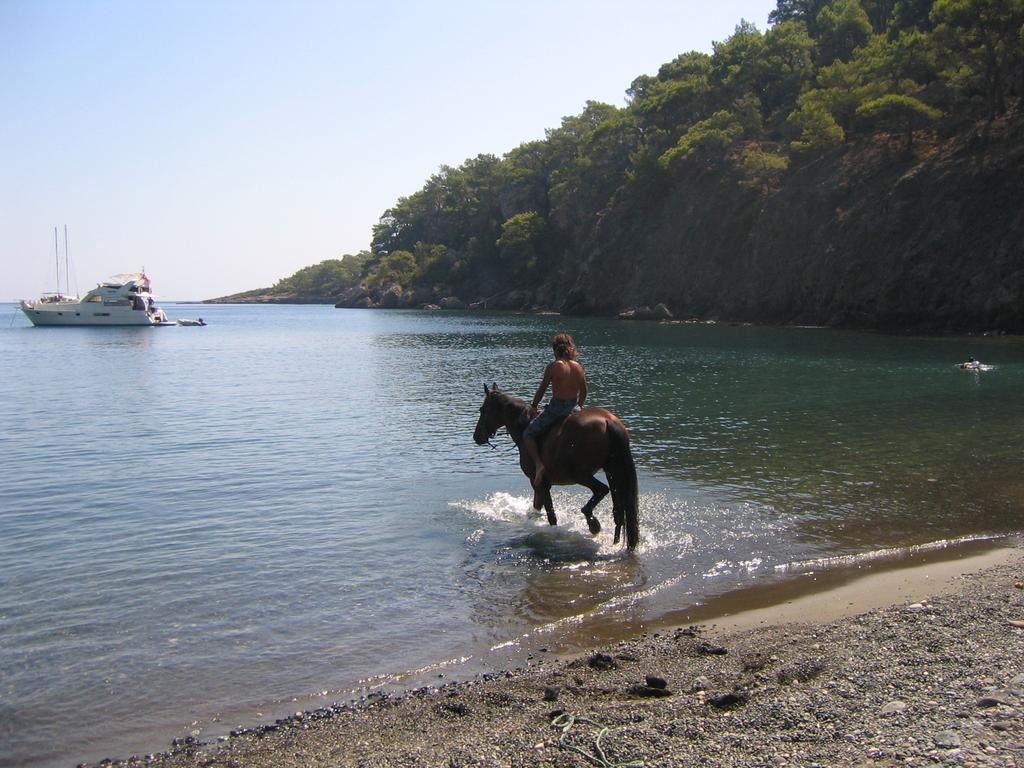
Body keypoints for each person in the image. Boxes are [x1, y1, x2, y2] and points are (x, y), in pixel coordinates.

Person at [523, 332, 588, 487]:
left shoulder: (554, 367)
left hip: (557, 408)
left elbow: (542, 390)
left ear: (555, 349)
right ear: (570, 348)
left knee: (528, 433)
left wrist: (533, 406)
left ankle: (539, 465)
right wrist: (579, 406)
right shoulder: (579, 367)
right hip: (574, 408)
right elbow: (584, 391)